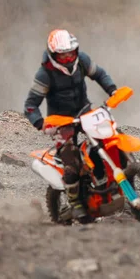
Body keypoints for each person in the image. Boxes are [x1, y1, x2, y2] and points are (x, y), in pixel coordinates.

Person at [24, 29, 118, 220]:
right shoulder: (45, 74)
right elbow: (31, 105)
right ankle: (75, 202)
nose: (67, 57)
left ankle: (106, 183)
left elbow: (99, 74)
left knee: (107, 138)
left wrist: (112, 90)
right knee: (71, 161)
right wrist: (41, 123)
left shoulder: (81, 60)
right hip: (61, 121)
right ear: (53, 55)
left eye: (70, 52)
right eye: (62, 54)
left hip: (84, 112)